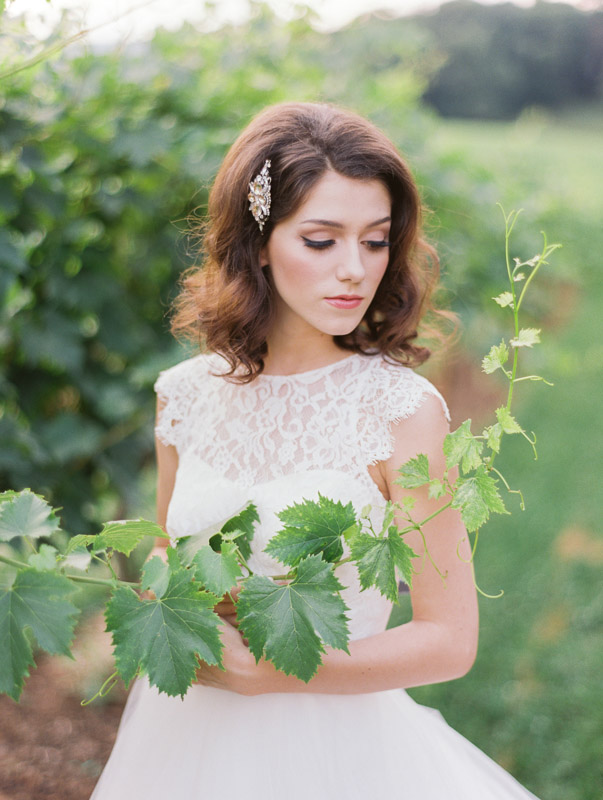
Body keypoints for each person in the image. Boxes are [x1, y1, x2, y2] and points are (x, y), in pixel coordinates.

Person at [91, 102, 539, 799]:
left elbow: (449, 639)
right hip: (181, 732)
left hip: (331, 752)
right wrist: (168, 599)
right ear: (258, 241)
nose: (355, 271)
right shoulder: (183, 393)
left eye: (376, 240)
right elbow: (161, 546)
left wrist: (276, 671)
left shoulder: (401, 411)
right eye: (322, 240)